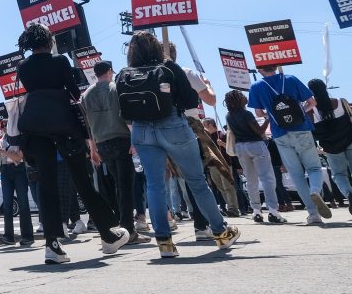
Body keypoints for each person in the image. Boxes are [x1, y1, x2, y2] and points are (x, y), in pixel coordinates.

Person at [14, 23, 129, 265]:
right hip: (63, 126)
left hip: (34, 127)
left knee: (46, 186)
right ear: (49, 40)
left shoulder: (23, 67)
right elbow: (74, 93)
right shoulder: (60, 62)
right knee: (81, 180)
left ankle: (52, 245)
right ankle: (108, 232)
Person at [121, 32, 240, 258]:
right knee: (196, 181)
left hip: (141, 131)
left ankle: (164, 242)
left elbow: (123, 110)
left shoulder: (125, 74)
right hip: (173, 126)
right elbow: (190, 101)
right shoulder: (169, 67)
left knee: (155, 186)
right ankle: (221, 232)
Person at [247, 65, 334, 225]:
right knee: (314, 168)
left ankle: (313, 214)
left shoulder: (256, 86)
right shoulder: (291, 79)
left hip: (280, 133)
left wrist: (272, 115)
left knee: (296, 174)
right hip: (302, 129)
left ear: (260, 70)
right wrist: (301, 110)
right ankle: (315, 190)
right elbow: (312, 102)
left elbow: (258, 113)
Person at [164, 43, 238, 216]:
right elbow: (211, 100)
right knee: (197, 175)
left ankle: (196, 216)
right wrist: (207, 84)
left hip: (166, 127)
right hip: (190, 125)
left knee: (181, 177)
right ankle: (205, 219)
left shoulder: (155, 77)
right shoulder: (187, 73)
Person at [81, 60, 148, 244]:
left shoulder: (86, 94)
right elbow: (126, 115)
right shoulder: (117, 88)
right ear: (110, 71)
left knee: (119, 185)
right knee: (126, 186)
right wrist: (135, 141)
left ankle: (122, 226)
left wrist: (93, 148)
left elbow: (87, 126)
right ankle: (128, 230)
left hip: (102, 143)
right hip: (121, 139)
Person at [307, 80, 352, 219]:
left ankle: (349, 194)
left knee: (338, 175)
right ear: (325, 87)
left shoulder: (311, 109)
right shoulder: (340, 102)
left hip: (331, 147)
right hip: (350, 142)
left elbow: (311, 130)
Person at [224, 90, 285, 224]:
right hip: (255, 145)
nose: (245, 97)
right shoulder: (246, 114)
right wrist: (267, 119)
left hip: (240, 148)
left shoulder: (229, 116)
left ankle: (256, 211)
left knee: (251, 180)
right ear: (238, 100)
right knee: (267, 178)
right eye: (241, 96)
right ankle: (273, 211)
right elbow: (259, 131)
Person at [0, 127, 33, 247]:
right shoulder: (2, 140)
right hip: (5, 170)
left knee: (23, 203)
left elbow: (18, 157)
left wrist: (2, 151)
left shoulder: (18, 138)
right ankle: (8, 236)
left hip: (19, 170)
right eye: (2, 125)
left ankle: (27, 236)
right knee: (7, 205)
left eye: (6, 124)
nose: (3, 127)